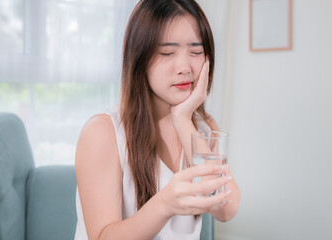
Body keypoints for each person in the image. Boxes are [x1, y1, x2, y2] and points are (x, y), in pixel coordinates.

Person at [74, 0, 240, 239]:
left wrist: (183, 119)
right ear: (139, 58)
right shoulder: (102, 131)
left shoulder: (202, 127)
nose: (184, 67)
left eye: (195, 51)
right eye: (167, 53)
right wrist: (165, 204)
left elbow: (226, 209)